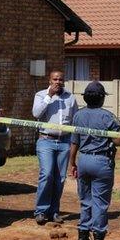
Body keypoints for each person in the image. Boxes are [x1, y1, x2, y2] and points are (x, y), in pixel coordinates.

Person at [69, 81, 120, 240]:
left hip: (84, 160)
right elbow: (118, 141)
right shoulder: (108, 117)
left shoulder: (78, 116)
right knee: (99, 204)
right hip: (101, 162)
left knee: (85, 201)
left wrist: (72, 163)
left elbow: (74, 142)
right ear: (101, 99)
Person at [32, 71, 78, 225]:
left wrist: (74, 142)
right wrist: (49, 96)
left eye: (61, 79)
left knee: (60, 178)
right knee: (46, 174)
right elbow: (36, 113)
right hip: (46, 141)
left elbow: (75, 120)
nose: (58, 82)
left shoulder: (70, 98)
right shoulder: (40, 95)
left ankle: (54, 211)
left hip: (64, 141)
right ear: (49, 80)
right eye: (55, 79)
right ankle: (41, 211)